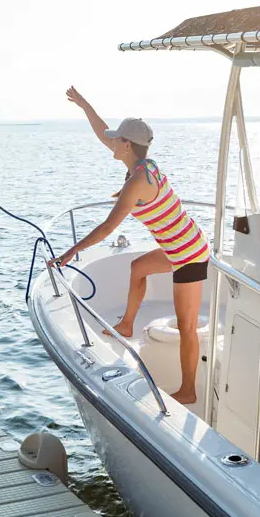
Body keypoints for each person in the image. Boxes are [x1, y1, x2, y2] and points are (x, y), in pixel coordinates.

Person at [53, 87, 209, 405]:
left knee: (187, 326)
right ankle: (126, 325)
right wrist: (84, 105)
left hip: (190, 254)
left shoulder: (138, 181)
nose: (110, 143)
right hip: (176, 247)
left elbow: (107, 228)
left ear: (126, 145)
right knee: (138, 268)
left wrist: (69, 253)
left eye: (116, 140)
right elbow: (103, 133)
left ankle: (188, 390)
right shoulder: (141, 165)